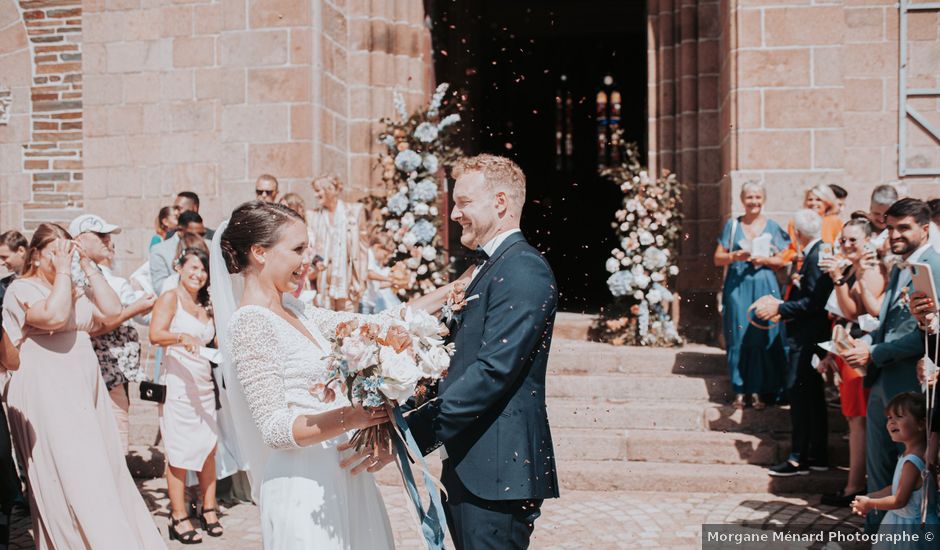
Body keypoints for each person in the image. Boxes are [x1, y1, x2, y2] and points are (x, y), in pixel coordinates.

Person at [405, 154, 559, 549]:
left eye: (464, 203)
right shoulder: (487, 268)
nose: (455, 214)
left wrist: (413, 432)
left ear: (501, 203)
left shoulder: (524, 268)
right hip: (472, 464)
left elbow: (493, 372)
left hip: (498, 474)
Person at [0, 223, 165, 549]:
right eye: (54, 251)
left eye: (67, 250)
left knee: (103, 467)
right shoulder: (23, 288)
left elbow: (112, 310)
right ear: (35, 254)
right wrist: (64, 271)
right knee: (71, 471)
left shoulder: (73, 287)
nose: (63, 258)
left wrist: (87, 264)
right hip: (46, 390)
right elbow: (55, 317)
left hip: (85, 390)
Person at [841, 198, 940, 532]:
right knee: (879, 465)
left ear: (925, 229)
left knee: (903, 470)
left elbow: (925, 333)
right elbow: (888, 323)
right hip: (883, 379)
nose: (895, 233)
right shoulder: (902, 265)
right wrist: (866, 345)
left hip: (907, 382)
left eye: (904, 227)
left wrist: (875, 353)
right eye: (891, 226)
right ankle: (875, 532)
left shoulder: (933, 267)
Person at [150, 248, 221, 544]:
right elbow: (155, 335)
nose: (198, 274)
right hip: (178, 386)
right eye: (193, 267)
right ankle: (178, 515)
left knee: (208, 449)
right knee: (179, 453)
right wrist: (181, 337)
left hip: (204, 385)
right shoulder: (170, 298)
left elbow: (215, 341)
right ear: (180, 267)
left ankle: (209, 508)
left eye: (203, 270)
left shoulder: (207, 303)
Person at [757, 209, 835, 476]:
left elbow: (813, 302)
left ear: (797, 233)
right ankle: (817, 454)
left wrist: (781, 307)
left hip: (807, 338)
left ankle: (798, 457)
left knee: (799, 394)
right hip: (809, 335)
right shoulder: (816, 252)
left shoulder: (816, 256)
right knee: (810, 395)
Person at [69, 213, 155, 453]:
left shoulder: (94, 270)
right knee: (111, 441)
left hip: (111, 372)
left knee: (117, 437)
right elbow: (94, 326)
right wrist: (134, 309)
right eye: (101, 236)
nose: (108, 241)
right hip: (97, 370)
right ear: (80, 239)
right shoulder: (77, 273)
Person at [818, 218, 887, 506]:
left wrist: (838, 279)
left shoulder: (869, 272)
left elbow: (854, 313)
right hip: (847, 348)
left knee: (858, 422)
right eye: (843, 240)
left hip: (861, 351)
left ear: (867, 242)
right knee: (854, 421)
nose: (846, 245)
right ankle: (856, 483)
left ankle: (855, 486)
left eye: (852, 240)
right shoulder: (851, 269)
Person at [713, 181, 789, 409]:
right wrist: (735, 256)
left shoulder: (773, 227)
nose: (754, 202)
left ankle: (759, 390)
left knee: (762, 335)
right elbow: (717, 258)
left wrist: (765, 259)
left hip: (764, 283)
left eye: (757, 197)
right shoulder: (733, 226)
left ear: (763, 200)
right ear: (742, 200)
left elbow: (784, 259)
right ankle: (739, 389)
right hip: (738, 285)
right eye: (749, 197)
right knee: (738, 334)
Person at [851, 392, 939, 546]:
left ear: (921, 424)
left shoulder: (912, 462)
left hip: (909, 529)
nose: (892, 422)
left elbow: (899, 500)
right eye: (889, 418)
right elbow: (896, 488)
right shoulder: (911, 455)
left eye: (899, 416)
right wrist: (871, 496)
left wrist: (871, 504)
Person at [307, 175, 368, 312]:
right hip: (323, 283)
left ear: (330, 189)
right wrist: (316, 262)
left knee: (350, 325)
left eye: (318, 190)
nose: (315, 195)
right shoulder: (313, 216)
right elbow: (310, 248)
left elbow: (363, 249)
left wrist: (362, 279)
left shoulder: (355, 212)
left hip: (349, 282)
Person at [152, 210, 208, 294]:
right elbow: (160, 287)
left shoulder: (208, 245)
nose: (200, 238)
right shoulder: (160, 250)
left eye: (202, 234)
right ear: (181, 231)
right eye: (194, 234)